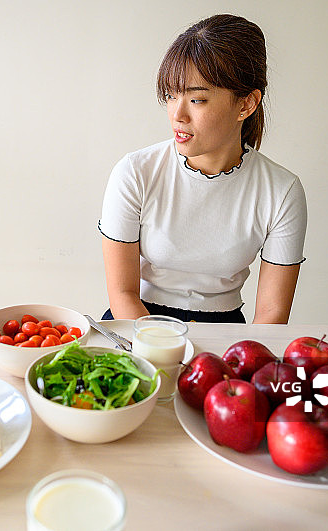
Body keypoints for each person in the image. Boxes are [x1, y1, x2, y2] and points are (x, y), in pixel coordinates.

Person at [98, 14, 307, 324]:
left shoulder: (281, 191)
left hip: (225, 333)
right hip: (136, 323)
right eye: (171, 95)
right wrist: (166, 348)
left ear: (246, 105)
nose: (177, 114)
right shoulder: (135, 172)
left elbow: (271, 316)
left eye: (196, 99)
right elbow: (122, 294)